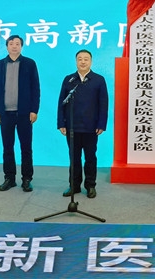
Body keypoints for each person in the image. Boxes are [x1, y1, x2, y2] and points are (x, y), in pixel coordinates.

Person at [0, 35, 40, 192]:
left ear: (21, 46)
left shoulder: (29, 63)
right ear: (6, 46)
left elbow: (35, 88)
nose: (14, 46)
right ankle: (9, 178)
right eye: (11, 43)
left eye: (17, 44)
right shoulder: (0, 65)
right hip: (5, 113)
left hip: (24, 113)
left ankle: (27, 179)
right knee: (7, 147)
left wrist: (34, 110)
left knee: (26, 147)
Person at [57, 49, 108, 199]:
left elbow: (103, 104)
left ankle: (90, 185)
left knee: (90, 157)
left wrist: (101, 124)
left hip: (91, 127)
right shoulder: (69, 80)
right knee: (74, 158)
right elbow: (61, 103)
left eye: (86, 59)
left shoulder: (98, 80)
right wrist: (61, 123)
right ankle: (74, 185)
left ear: (91, 61)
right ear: (76, 61)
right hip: (72, 126)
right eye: (80, 59)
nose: (83, 62)